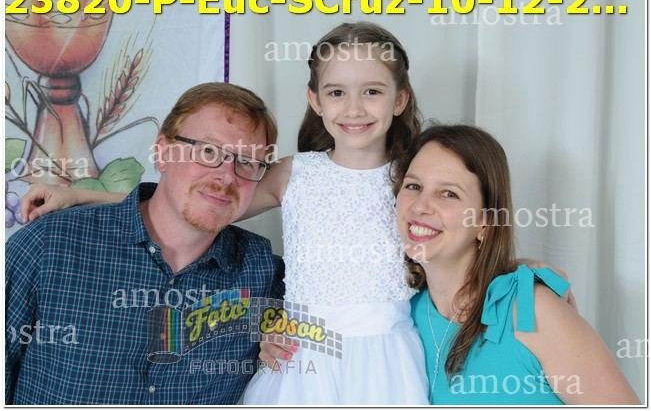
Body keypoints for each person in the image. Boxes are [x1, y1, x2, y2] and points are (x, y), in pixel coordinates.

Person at [20, 22, 430, 404]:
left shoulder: (415, 178)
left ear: (400, 99)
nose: (354, 108)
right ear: (315, 100)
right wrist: (78, 195)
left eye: (372, 91)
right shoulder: (295, 174)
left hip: (385, 356)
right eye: (337, 92)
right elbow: (190, 203)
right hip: (303, 358)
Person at [5, 83, 285, 404]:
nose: (227, 176)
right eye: (208, 151)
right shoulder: (48, 247)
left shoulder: (263, 273)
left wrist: (282, 341)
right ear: (163, 153)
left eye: (247, 161)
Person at [392, 124, 639, 404]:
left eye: (449, 193)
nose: (420, 206)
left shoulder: (533, 310)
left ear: (486, 222)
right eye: (413, 186)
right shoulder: (402, 313)